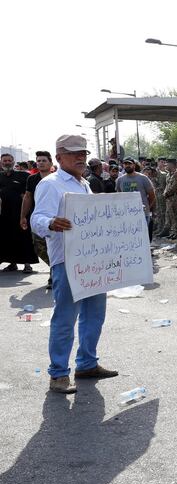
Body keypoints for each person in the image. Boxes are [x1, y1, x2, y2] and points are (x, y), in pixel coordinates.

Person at [31, 135, 118, 393]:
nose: (80, 157)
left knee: (94, 315)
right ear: (59, 157)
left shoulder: (85, 184)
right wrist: (50, 223)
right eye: (73, 153)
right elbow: (38, 218)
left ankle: (87, 363)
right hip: (67, 261)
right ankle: (58, 373)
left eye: (83, 152)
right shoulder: (51, 184)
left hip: (92, 260)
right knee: (66, 318)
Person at [20, 151, 53, 287]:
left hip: (55, 220)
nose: (40, 163)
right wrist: (22, 216)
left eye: (43, 160)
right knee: (39, 248)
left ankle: (55, 275)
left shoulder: (57, 179)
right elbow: (27, 197)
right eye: (38, 161)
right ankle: (56, 269)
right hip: (38, 220)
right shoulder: (32, 179)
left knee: (55, 249)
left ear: (51, 163)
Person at [0, 152, 38, 272]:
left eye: (9, 160)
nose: (7, 162)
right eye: (4, 161)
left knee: (24, 237)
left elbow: (29, 194)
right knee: (8, 237)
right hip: (4, 214)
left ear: (13, 161)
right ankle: (12, 263)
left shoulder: (23, 176)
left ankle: (27, 264)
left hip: (21, 212)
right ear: (1, 163)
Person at [116, 157, 156, 241]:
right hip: (126, 214)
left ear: (134, 165)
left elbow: (152, 195)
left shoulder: (143, 178)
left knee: (144, 236)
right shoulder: (120, 180)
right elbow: (119, 196)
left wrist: (148, 208)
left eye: (129, 164)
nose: (127, 166)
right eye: (125, 164)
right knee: (130, 237)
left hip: (142, 213)